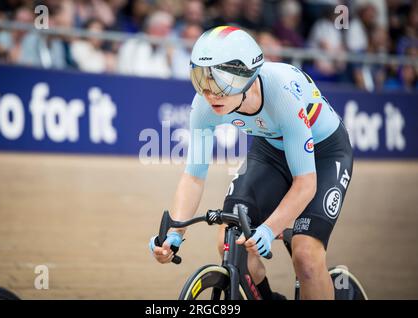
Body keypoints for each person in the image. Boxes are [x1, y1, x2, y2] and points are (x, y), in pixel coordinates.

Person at [149, 26, 354, 300]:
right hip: (270, 149)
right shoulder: (205, 105)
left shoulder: (281, 95)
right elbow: (194, 176)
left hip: (325, 153)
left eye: (220, 81)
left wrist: (269, 229)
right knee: (229, 241)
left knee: (305, 257)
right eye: (202, 79)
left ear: (246, 75)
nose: (210, 93)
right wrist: (175, 232)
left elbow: (305, 183)